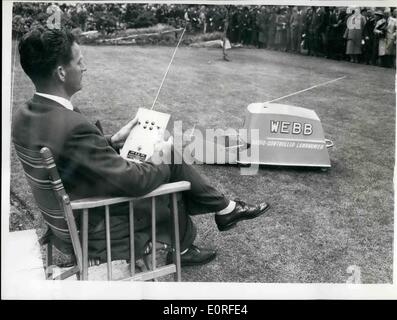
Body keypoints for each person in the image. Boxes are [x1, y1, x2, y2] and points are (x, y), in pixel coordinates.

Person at [12, 27, 270, 267]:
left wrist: (112, 141)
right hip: (96, 221)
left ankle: (223, 210)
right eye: (79, 62)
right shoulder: (72, 125)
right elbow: (135, 182)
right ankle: (215, 218)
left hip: (70, 212)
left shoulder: (25, 115)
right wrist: (160, 155)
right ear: (61, 73)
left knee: (167, 160)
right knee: (168, 166)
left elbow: (69, 150)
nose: (85, 67)